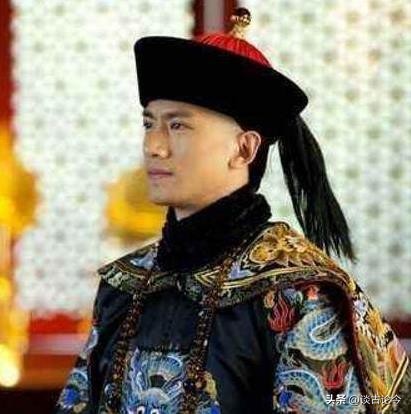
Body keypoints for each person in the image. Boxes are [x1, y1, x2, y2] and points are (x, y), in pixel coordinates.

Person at [55, 7, 410, 414]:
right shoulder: (123, 286)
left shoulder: (299, 295)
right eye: (149, 124)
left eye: (178, 125)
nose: (153, 146)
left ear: (244, 148)